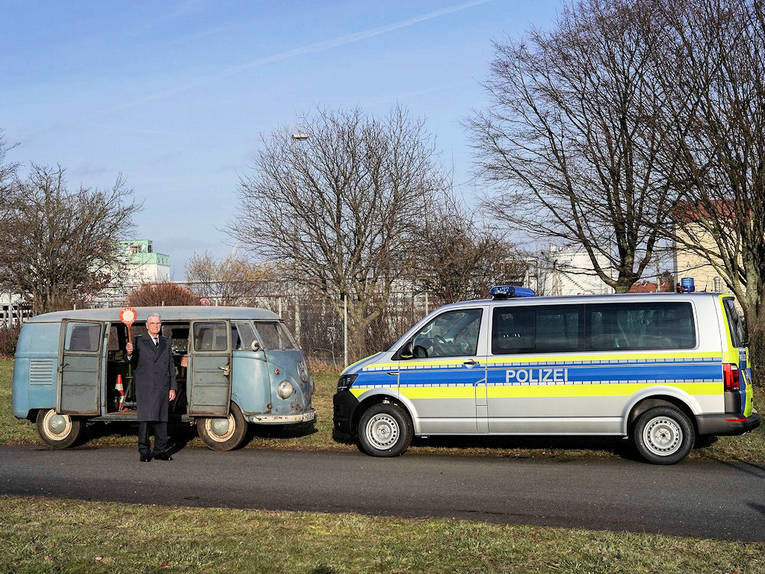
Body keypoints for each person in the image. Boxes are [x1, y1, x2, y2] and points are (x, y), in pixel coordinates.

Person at [126, 313, 177, 462]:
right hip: (146, 387)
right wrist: (129, 353)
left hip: (162, 386)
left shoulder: (166, 343)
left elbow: (170, 365)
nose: (156, 326)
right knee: (145, 420)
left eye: (158, 323)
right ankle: (144, 451)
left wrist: (172, 387)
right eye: (153, 323)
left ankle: (160, 451)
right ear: (147, 325)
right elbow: (132, 360)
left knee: (162, 420)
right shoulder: (138, 341)